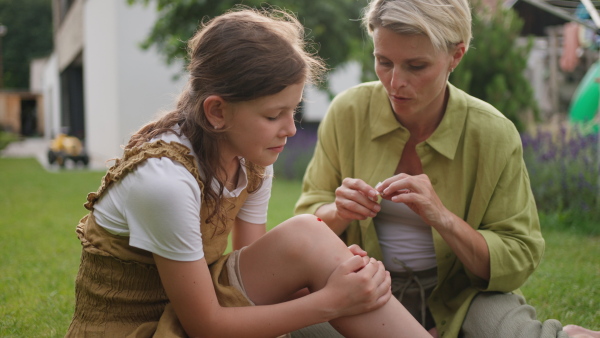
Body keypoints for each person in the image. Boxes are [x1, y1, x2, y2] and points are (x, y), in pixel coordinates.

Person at [65, 7, 432, 338]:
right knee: (309, 241)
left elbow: (255, 270)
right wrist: (331, 300)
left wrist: (326, 272)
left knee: (311, 240)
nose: (290, 129)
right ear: (217, 112)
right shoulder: (167, 182)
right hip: (138, 328)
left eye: (294, 111)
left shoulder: (247, 158)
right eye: (273, 115)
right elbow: (206, 325)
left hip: (189, 311)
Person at [295, 0, 600, 337]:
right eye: (384, 62)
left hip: (463, 296)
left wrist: (442, 217)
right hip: (363, 288)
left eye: (416, 66)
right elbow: (307, 222)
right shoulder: (347, 112)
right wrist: (338, 211)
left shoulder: (493, 132)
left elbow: (518, 255)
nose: (395, 82)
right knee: (302, 326)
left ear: (456, 55)